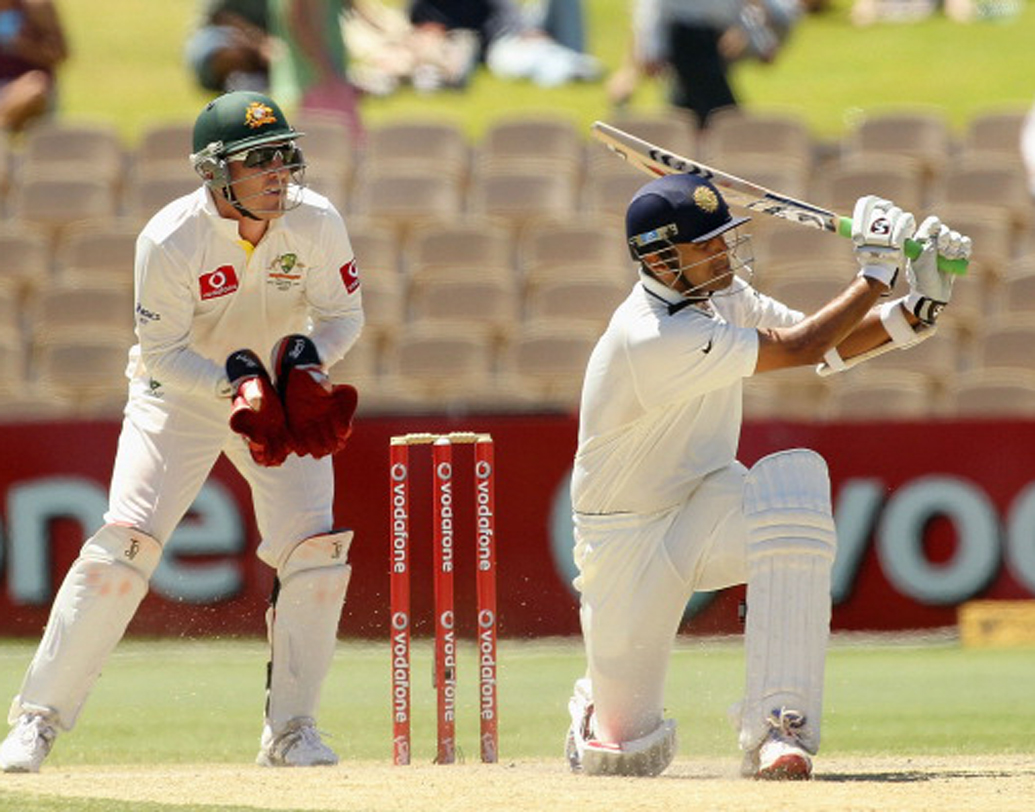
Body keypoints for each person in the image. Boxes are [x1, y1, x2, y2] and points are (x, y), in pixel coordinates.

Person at [0, 90, 364, 773]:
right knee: (125, 546)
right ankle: (35, 724)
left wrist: (305, 366)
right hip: (181, 397)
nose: (277, 172)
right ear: (213, 172)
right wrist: (236, 381)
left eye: (283, 155)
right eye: (257, 161)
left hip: (279, 397)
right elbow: (163, 352)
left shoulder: (316, 222)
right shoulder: (169, 239)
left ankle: (291, 732)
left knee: (315, 551)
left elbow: (345, 314)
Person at [564, 173, 971, 779]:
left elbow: (826, 346)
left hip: (706, 502)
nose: (725, 254)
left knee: (796, 490)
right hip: (626, 540)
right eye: (708, 246)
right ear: (659, 257)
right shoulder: (648, 334)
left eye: (725, 238)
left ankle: (782, 727)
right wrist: (876, 273)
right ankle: (596, 713)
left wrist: (916, 308)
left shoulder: (723, 296)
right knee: (628, 755)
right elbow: (801, 346)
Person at [608, 0, 801, 128]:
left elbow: (741, 6)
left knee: (689, 110)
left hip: (713, 36)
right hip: (686, 35)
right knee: (721, 115)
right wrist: (650, 51)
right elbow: (653, 8)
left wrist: (760, 40)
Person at [268, 0, 365, 145]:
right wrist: (329, 74)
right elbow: (301, 22)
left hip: (314, 80)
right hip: (317, 82)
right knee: (341, 150)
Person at [0, 0, 68, 133]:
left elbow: (60, 54)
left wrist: (21, 46)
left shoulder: (36, 6)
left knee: (34, 88)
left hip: (27, 86)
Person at [184, 0, 272, 93]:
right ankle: (242, 81)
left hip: (271, 42)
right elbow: (219, 16)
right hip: (223, 33)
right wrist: (258, 42)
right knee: (228, 56)